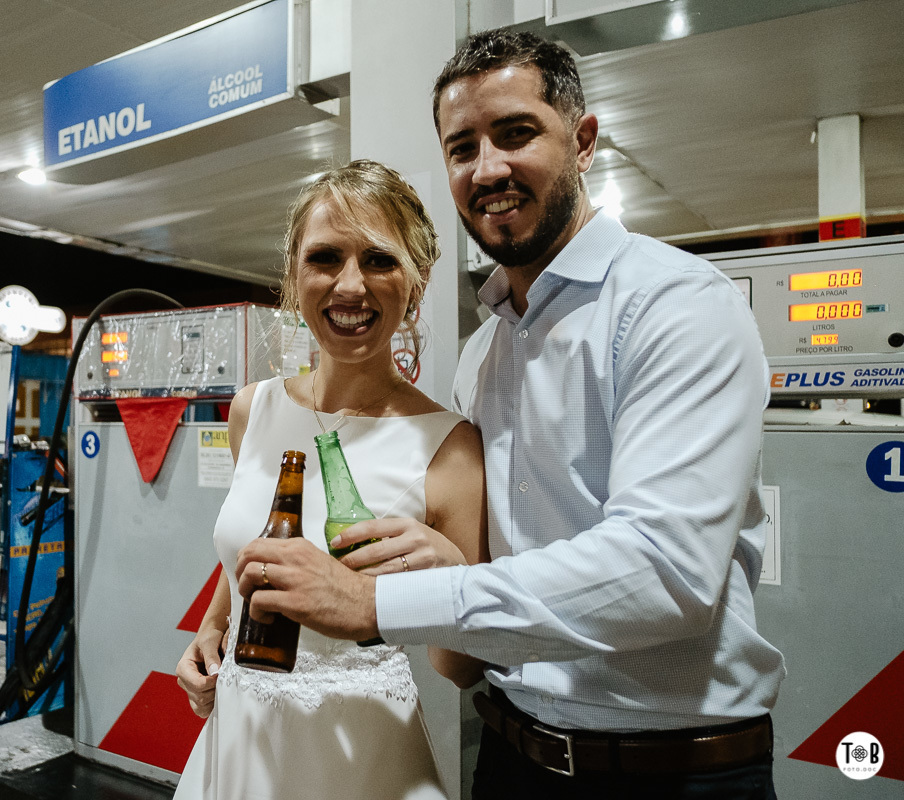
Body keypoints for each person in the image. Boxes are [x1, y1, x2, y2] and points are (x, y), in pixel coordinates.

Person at [235, 29, 785, 800]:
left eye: (517, 133)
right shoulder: (486, 350)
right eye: (463, 147)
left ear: (584, 141)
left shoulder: (677, 305)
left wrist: (379, 601)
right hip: (511, 755)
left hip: (669, 767)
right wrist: (448, 569)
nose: (488, 168)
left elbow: (667, 572)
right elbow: (480, 604)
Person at [173, 160, 488, 800]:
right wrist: (212, 630)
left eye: (379, 260)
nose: (351, 286)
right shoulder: (251, 410)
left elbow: (461, 670)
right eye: (325, 258)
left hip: (360, 758)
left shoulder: (450, 448)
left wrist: (454, 578)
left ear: (418, 283)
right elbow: (253, 556)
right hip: (239, 743)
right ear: (294, 275)